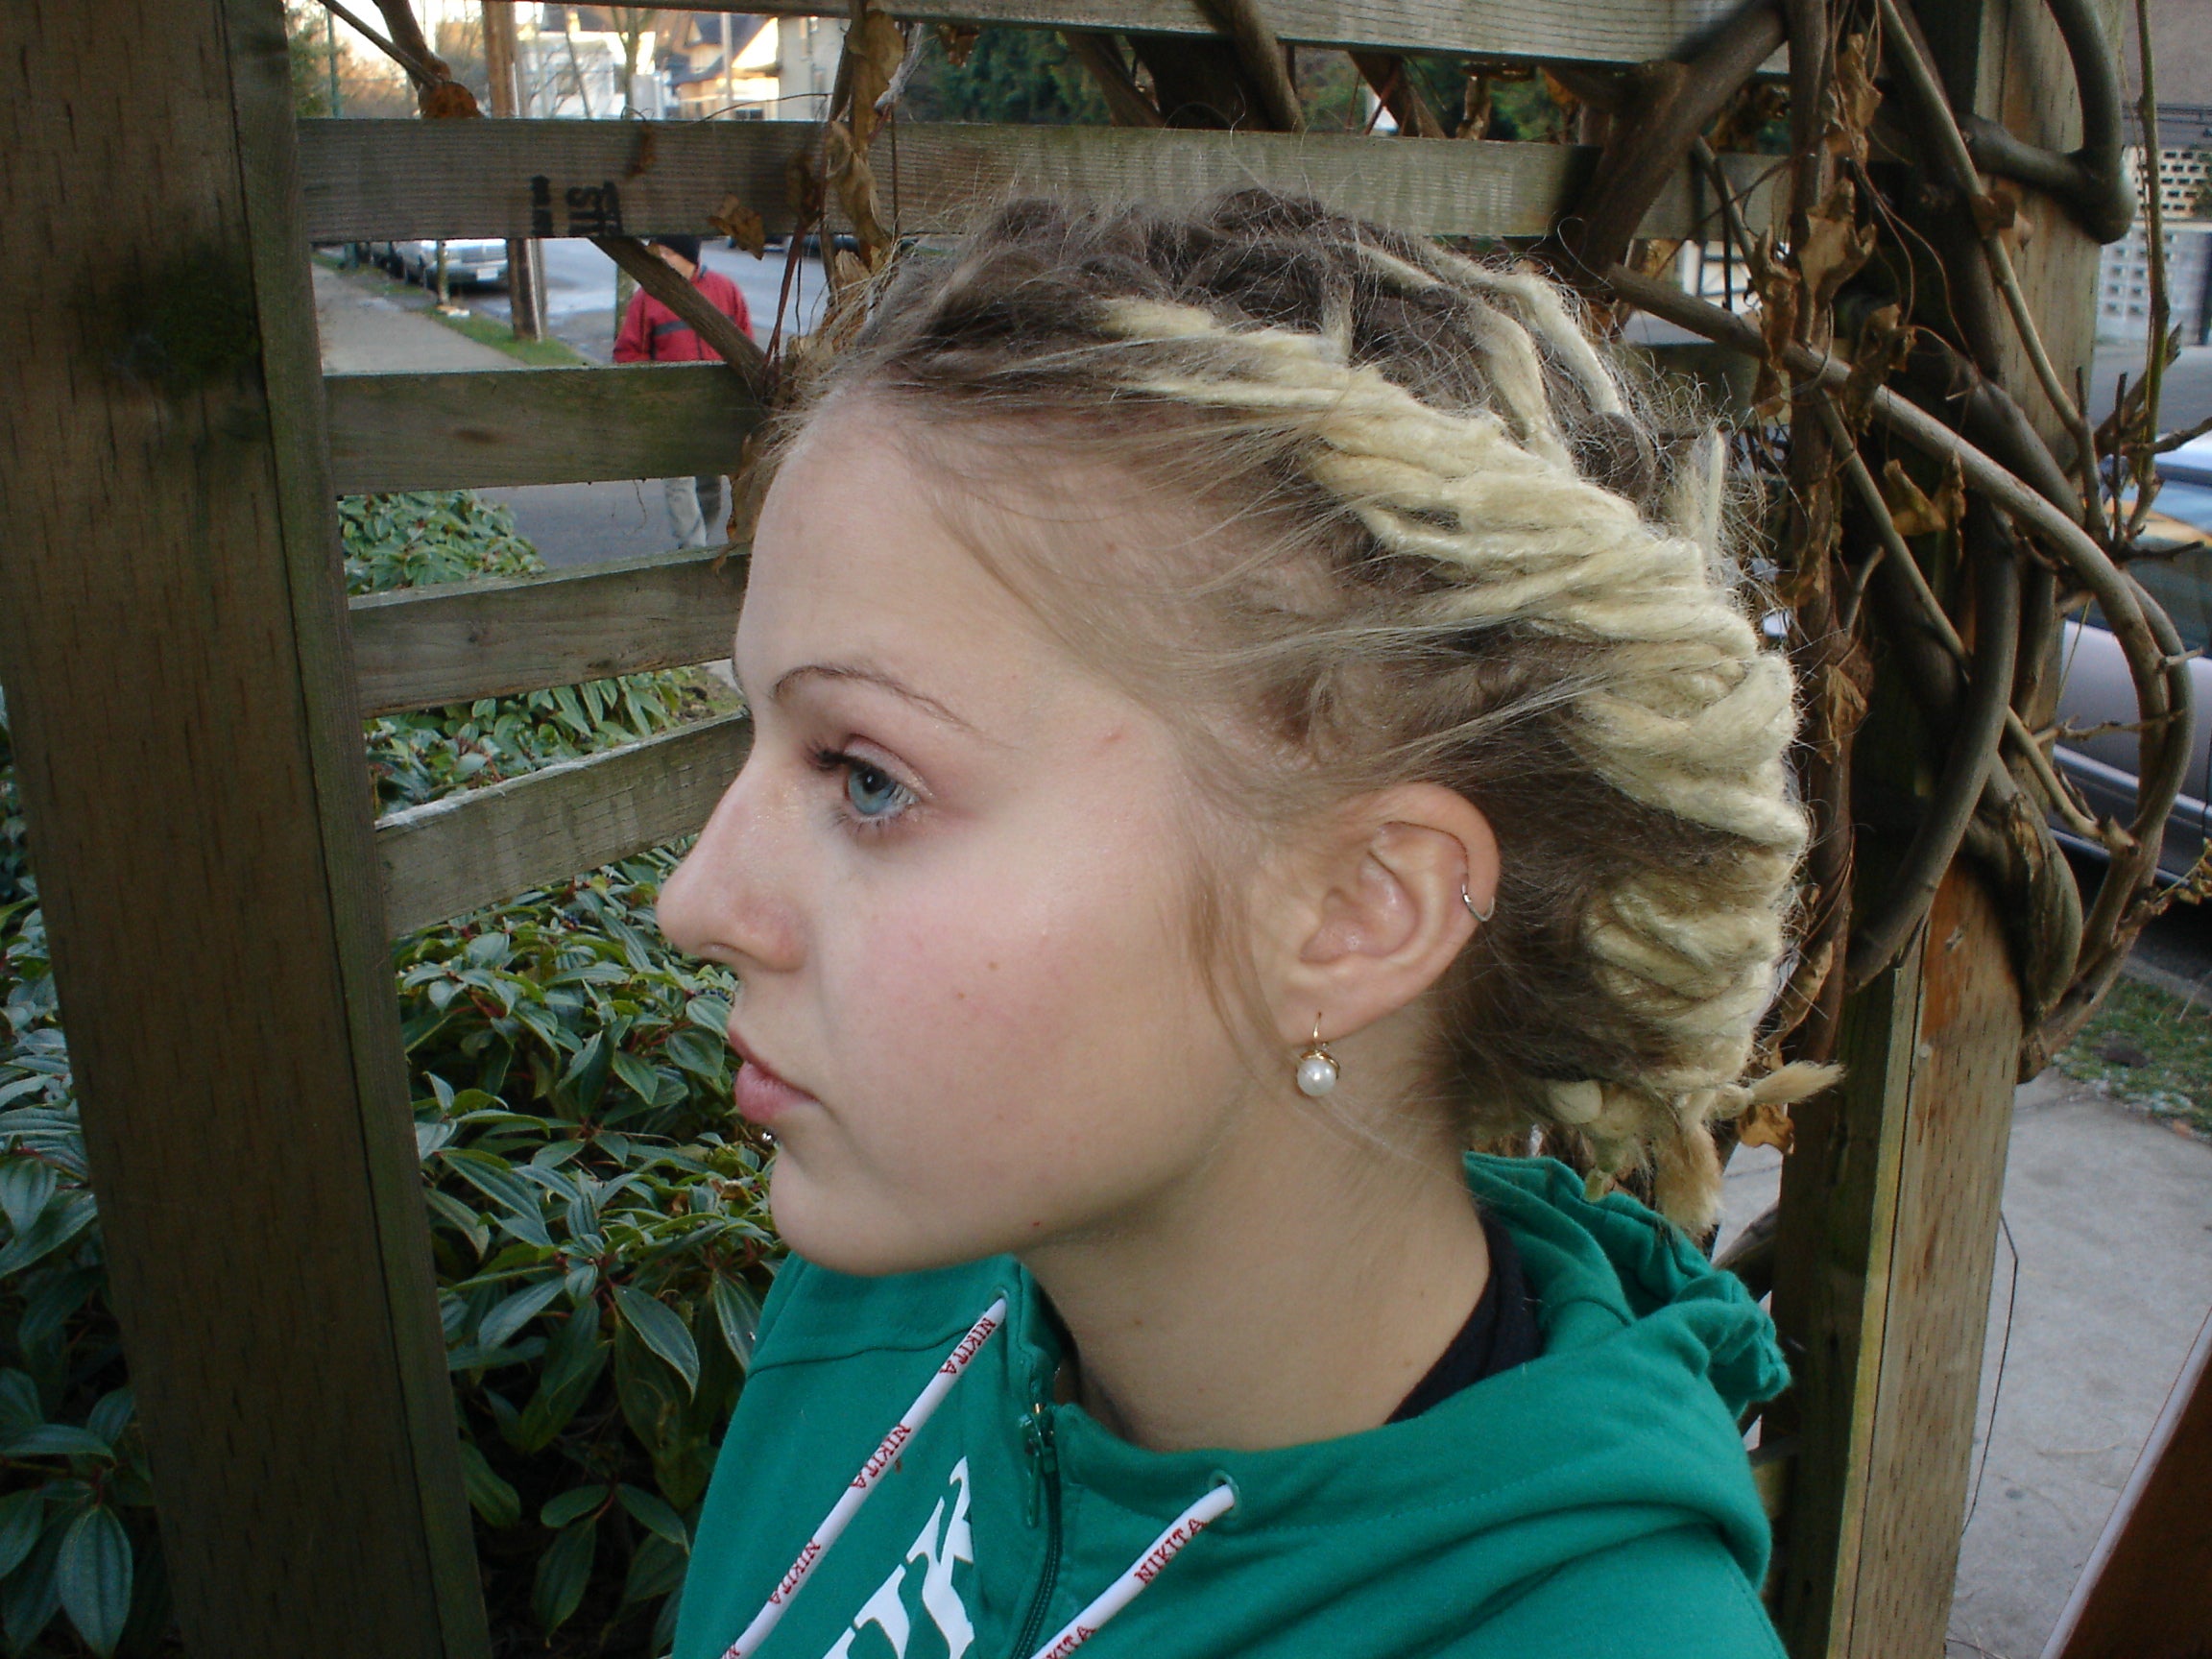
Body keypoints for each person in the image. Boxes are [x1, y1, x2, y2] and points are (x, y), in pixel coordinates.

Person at [656, 193, 1829, 1659]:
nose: (697, 901)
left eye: (870, 780)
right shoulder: (884, 1309)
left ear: (1357, 912)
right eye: (756, 738)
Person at [613, 233, 754, 548]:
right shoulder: (648, 298)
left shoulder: (725, 291)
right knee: (679, 482)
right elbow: (627, 353)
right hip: (672, 414)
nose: (659, 258)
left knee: (709, 485)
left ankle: (699, 541)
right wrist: (655, 392)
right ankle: (693, 549)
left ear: (688, 255)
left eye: (666, 252)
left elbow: (746, 344)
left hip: (717, 409)